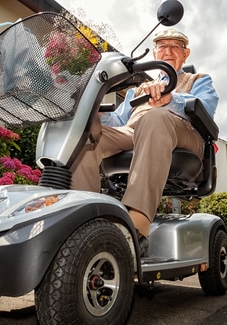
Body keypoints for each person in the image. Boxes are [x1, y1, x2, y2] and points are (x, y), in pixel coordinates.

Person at [71, 28, 219, 256]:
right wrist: (94, 110)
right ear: (156, 53)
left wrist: (171, 98)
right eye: (162, 46)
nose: (168, 51)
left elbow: (205, 107)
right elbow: (119, 121)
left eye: (175, 47)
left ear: (185, 53)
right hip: (134, 133)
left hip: (184, 134)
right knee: (86, 130)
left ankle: (135, 228)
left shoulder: (198, 80)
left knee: (155, 116)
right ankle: (84, 221)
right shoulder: (138, 89)